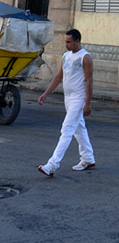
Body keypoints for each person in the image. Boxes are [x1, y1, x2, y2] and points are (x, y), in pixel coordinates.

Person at [37, 28, 95, 176]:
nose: (66, 45)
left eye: (69, 42)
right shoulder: (66, 56)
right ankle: (88, 158)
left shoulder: (85, 57)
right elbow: (58, 77)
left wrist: (87, 103)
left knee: (67, 129)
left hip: (79, 98)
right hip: (68, 98)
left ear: (77, 41)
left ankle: (52, 164)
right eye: (66, 42)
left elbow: (89, 81)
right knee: (78, 128)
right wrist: (45, 93)